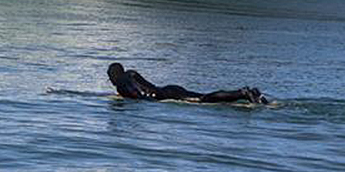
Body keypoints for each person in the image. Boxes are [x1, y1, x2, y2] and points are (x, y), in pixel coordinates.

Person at [107, 63, 268, 104]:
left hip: (162, 95)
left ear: (113, 75)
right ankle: (249, 93)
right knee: (201, 96)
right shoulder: (131, 73)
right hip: (168, 88)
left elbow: (137, 94)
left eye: (110, 76)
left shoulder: (121, 83)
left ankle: (242, 93)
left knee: (202, 101)